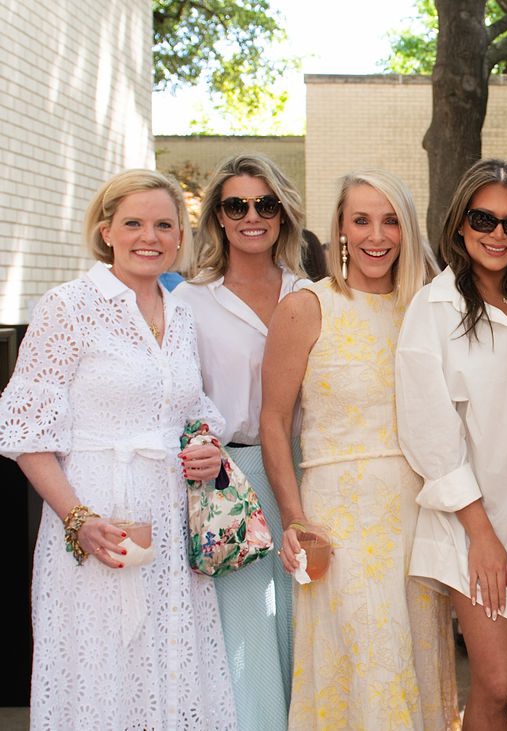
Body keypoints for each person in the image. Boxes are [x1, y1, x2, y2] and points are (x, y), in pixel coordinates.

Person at [0, 169, 236, 729]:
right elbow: (26, 432)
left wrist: (206, 445)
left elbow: (188, 407)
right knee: (102, 665)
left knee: (169, 660)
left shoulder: (180, 311)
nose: (148, 236)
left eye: (163, 224)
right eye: (133, 223)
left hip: (170, 521)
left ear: (181, 236)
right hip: (96, 512)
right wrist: (78, 519)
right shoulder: (68, 306)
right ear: (106, 230)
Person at [261, 170, 458, 730]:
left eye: (391, 220)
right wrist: (295, 518)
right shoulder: (307, 307)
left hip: (420, 515)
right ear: (340, 229)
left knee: (416, 659)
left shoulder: (427, 308)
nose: (377, 235)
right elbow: (274, 422)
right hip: (339, 520)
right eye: (362, 220)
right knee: (361, 661)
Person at [397, 159, 507, 730]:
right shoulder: (434, 309)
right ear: (460, 223)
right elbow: (427, 430)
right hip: (475, 525)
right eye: (484, 218)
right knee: (496, 682)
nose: (497, 234)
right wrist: (481, 533)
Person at [176, 152, 307, 731]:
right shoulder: (189, 302)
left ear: (283, 215)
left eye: (266, 204)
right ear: (218, 219)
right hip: (230, 483)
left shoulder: (315, 294)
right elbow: (175, 400)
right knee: (247, 635)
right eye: (237, 204)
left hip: (309, 474)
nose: (252, 215)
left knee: (307, 626)